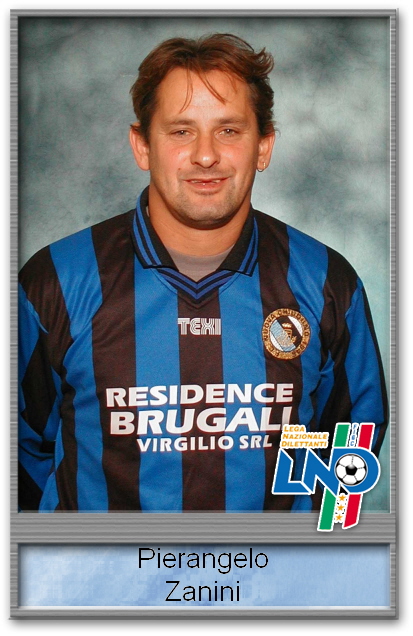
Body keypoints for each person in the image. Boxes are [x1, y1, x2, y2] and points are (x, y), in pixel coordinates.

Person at [18, 33, 388, 512]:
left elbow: (350, 446)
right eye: (181, 131)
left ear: (264, 147)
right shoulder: (56, 281)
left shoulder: (325, 282)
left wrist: (289, 545)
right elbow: (23, 448)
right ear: (142, 146)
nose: (206, 155)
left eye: (229, 130)